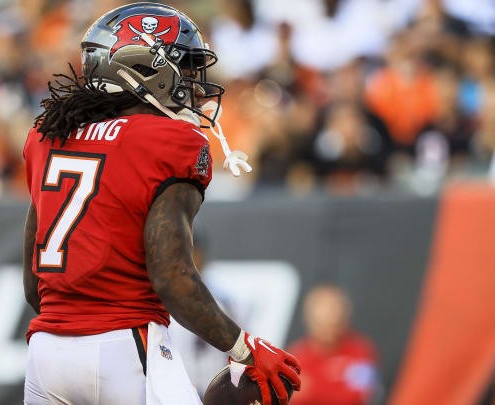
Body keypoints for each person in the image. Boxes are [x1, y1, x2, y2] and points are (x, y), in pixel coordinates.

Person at [21, 4, 300, 405]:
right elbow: (171, 276)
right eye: (184, 68)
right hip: (124, 347)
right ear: (144, 68)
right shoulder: (167, 141)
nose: (196, 85)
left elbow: (35, 284)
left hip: (47, 353)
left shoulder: (48, 135)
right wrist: (243, 346)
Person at [288, 285, 378, 405]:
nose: (329, 330)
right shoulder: (296, 357)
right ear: (309, 321)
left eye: (334, 322)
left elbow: (363, 395)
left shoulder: (360, 351)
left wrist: (313, 390)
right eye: (322, 323)